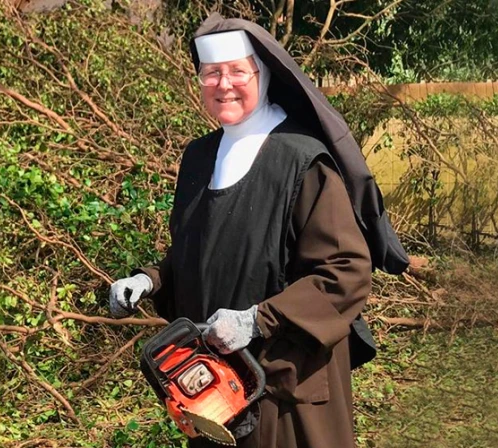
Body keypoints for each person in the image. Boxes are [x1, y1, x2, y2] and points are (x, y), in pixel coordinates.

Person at [109, 13, 409, 448]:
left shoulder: (302, 160)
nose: (223, 84)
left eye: (236, 71)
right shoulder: (198, 158)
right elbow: (201, 253)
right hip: (215, 390)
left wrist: (256, 321)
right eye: (211, 73)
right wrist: (149, 281)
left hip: (289, 391)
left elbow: (346, 271)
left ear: (262, 73)